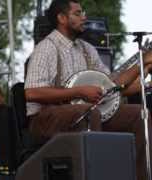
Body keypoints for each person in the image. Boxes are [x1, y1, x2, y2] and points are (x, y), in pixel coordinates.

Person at [24, 0, 152, 180]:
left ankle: (139, 176)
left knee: (139, 114)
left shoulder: (87, 49)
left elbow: (112, 86)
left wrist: (143, 64)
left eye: (83, 13)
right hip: (45, 119)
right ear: (61, 18)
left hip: (87, 114)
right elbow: (31, 93)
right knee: (89, 113)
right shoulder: (46, 48)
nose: (84, 17)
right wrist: (79, 92)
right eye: (77, 13)